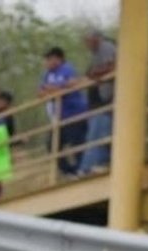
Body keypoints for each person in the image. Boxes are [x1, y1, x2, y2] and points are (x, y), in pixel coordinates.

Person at [38, 46, 88, 178]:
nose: (47, 63)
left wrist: (54, 89)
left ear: (58, 59)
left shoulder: (67, 69)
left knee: (77, 143)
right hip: (59, 117)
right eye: (46, 60)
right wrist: (56, 89)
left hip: (74, 112)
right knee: (52, 145)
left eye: (49, 59)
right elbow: (41, 93)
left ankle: (82, 169)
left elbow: (73, 83)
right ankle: (69, 171)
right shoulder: (47, 74)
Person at [76, 29, 116, 176]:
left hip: (106, 101)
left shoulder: (106, 47)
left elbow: (113, 66)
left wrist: (94, 74)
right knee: (96, 134)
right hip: (100, 102)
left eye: (88, 40)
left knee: (99, 133)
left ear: (96, 38)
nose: (87, 44)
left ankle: (93, 166)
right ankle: (89, 166)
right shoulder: (96, 54)